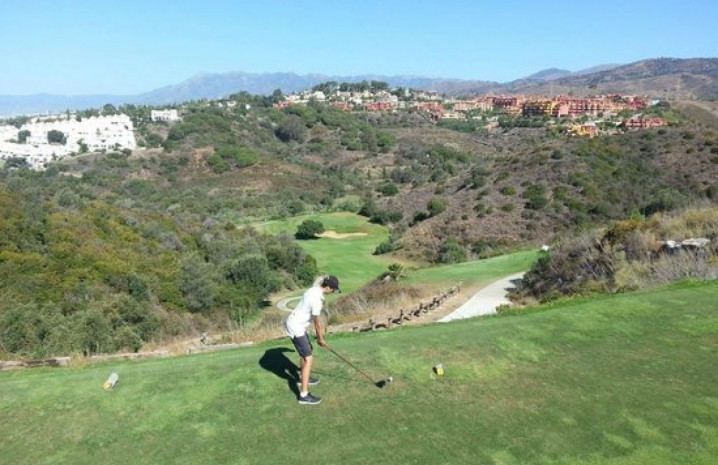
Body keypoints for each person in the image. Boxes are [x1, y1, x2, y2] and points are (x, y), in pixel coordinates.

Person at [283, 275, 340, 405]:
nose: (333, 292)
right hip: (296, 327)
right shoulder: (316, 299)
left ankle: (303, 377)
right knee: (308, 358)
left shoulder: (313, 289)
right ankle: (303, 395)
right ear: (328, 288)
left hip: (297, 324)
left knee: (308, 351)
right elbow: (317, 323)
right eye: (334, 289)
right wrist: (320, 338)